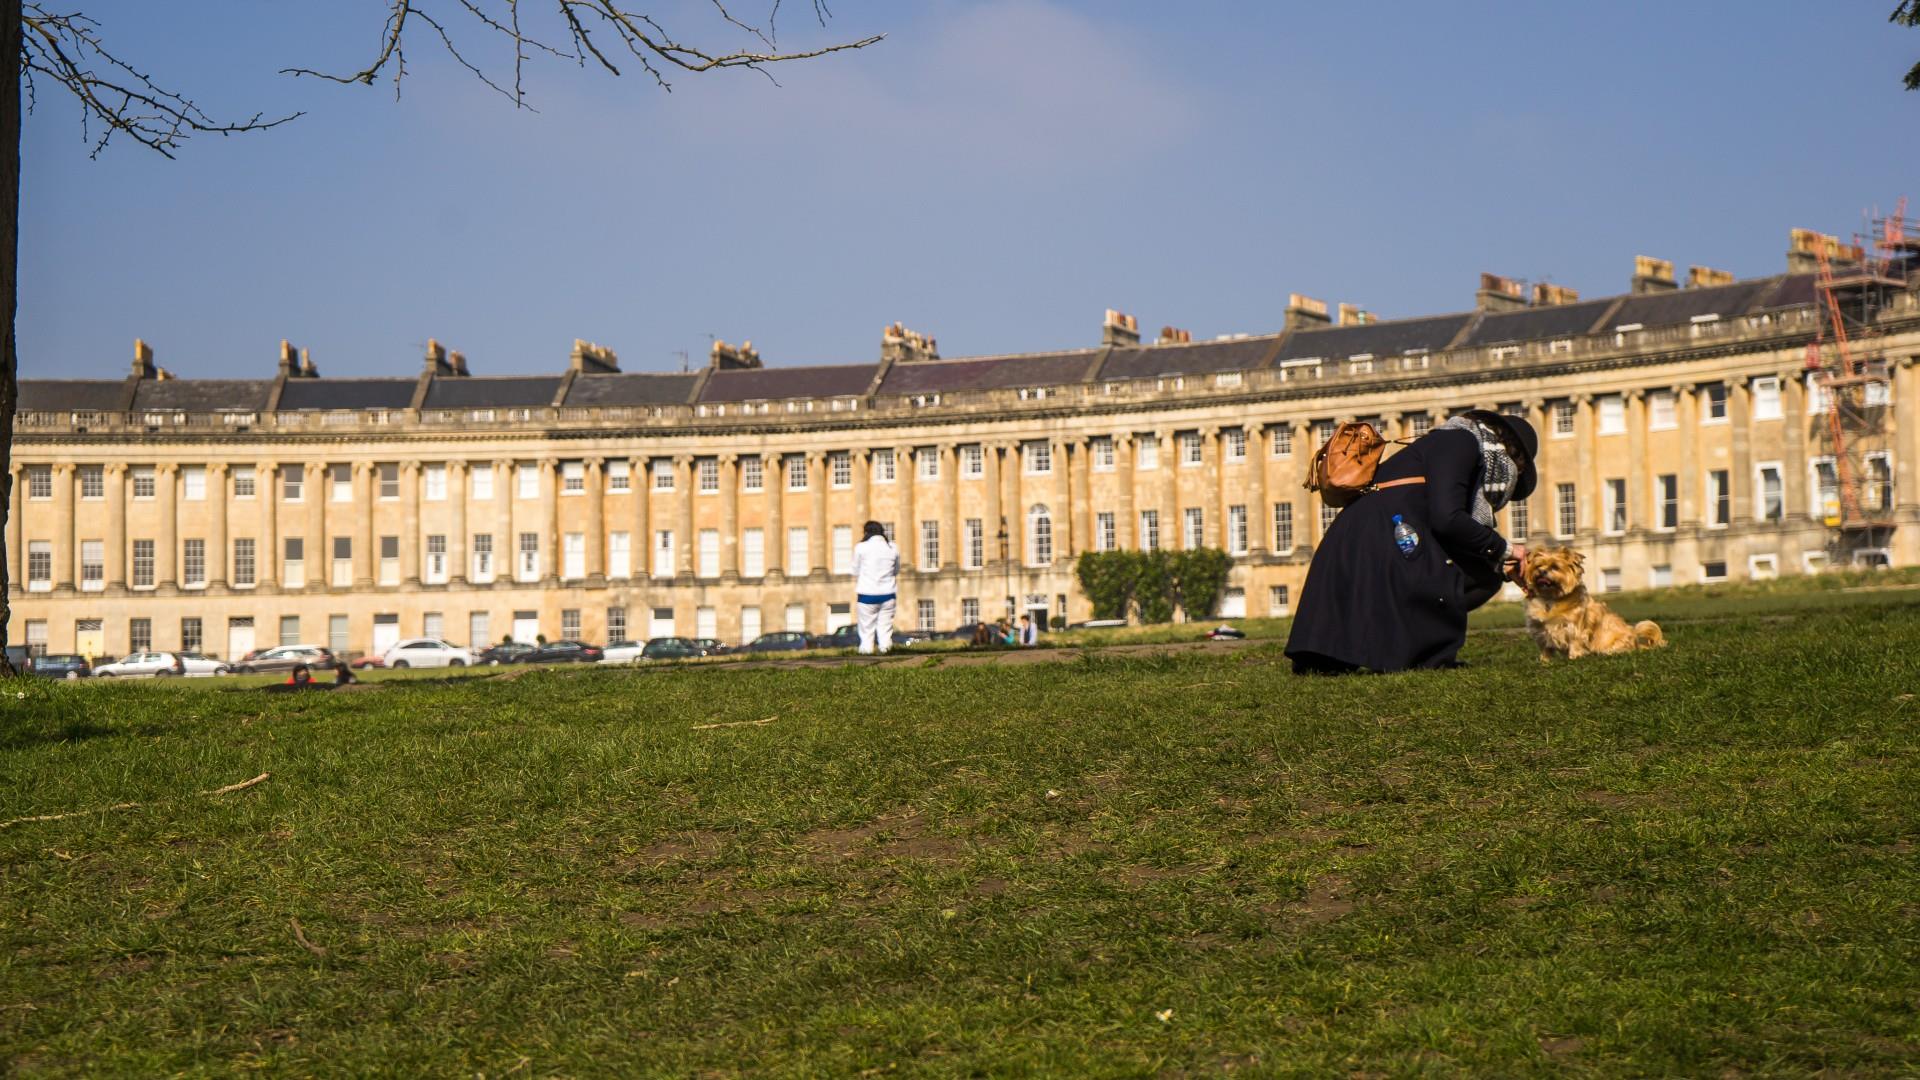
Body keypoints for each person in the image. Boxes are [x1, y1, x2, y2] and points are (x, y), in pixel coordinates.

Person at [1285, 409, 1537, 674]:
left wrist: (1498, 560)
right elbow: (1447, 519)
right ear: (1511, 456)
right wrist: (1506, 549)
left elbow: (1446, 524)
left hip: (1372, 537)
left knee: (1484, 573)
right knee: (1481, 575)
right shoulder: (1461, 442)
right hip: (1383, 537)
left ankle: (1392, 648)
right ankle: (1421, 654)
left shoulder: (1452, 443)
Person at [851, 520, 900, 654]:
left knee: (866, 631)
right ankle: (887, 653)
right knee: (885, 629)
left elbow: (855, 571)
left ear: (866, 532)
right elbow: (896, 570)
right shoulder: (892, 547)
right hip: (888, 594)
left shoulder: (861, 547)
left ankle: (866, 654)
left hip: (867, 595)